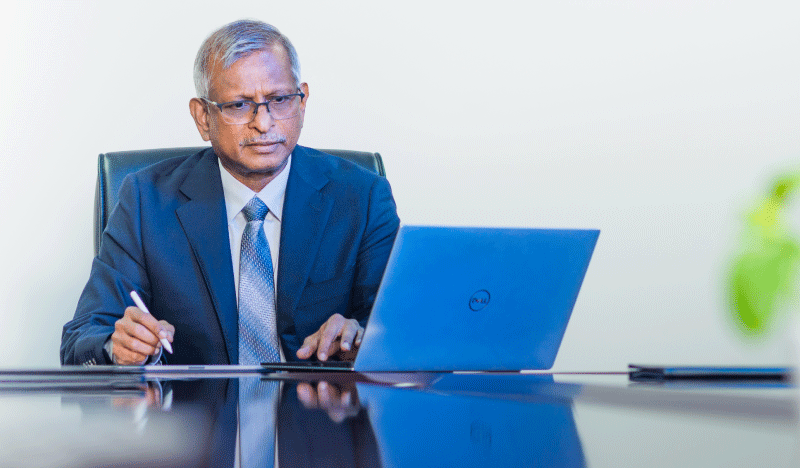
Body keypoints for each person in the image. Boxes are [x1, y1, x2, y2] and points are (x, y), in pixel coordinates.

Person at [60, 19, 400, 366]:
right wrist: (115, 347)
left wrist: (362, 338)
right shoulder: (145, 202)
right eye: (239, 105)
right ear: (203, 117)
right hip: (194, 402)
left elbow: (402, 331)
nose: (264, 123)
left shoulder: (363, 198)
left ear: (302, 102)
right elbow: (81, 339)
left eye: (280, 99)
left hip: (318, 400)